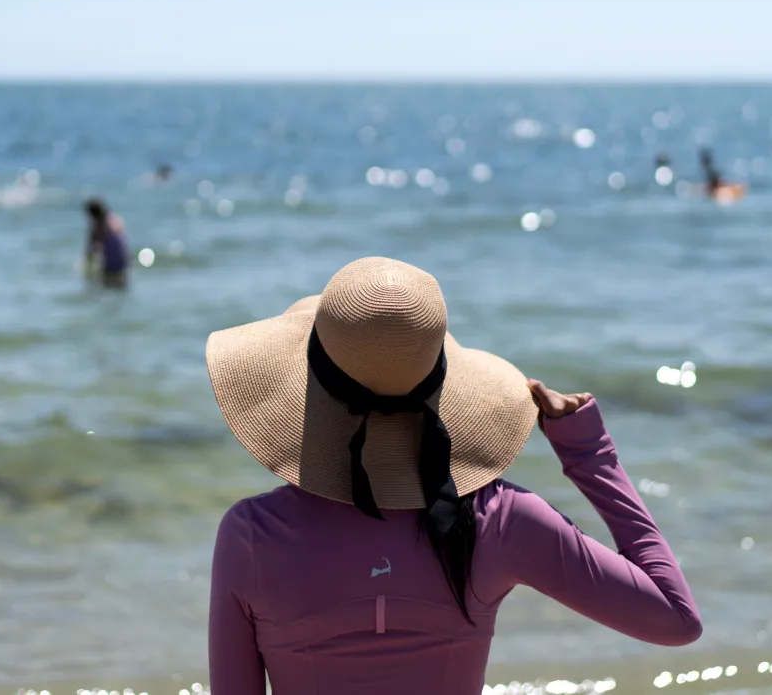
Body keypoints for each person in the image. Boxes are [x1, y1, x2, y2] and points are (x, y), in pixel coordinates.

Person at [206, 257, 701, 695]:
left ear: (309, 385)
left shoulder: (252, 535)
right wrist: (588, 451)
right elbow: (676, 619)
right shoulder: (499, 520)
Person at [83, 197, 129, 288]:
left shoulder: (98, 227)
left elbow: (90, 252)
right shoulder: (114, 219)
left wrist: (86, 270)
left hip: (111, 265)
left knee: (103, 287)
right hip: (124, 261)